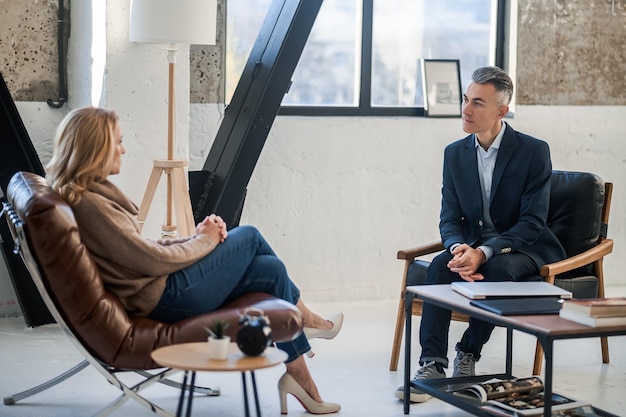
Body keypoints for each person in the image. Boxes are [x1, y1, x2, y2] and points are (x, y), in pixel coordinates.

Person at [45, 106, 343, 415]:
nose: (123, 149)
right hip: (166, 297)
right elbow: (150, 260)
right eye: (117, 142)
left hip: (161, 287)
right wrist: (205, 240)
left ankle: (299, 374)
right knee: (250, 236)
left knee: (270, 269)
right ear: (97, 148)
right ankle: (307, 321)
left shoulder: (87, 194)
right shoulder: (90, 204)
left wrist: (193, 237)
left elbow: (139, 249)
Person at [396, 66, 566, 403]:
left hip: (522, 247)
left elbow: (533, 222)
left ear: (501, 111)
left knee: (497, 271)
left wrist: (484, 252)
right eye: (465, 99)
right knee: (438, 266)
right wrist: (459, 247)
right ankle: (431, 363)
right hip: (472, 246)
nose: (466, 110)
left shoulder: (533, 151)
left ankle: (468, 354)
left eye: (477, 103)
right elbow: (449, 217)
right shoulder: (455, 153)